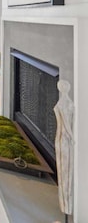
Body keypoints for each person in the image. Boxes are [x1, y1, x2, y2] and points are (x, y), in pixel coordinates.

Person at [53, 79, 74, 217]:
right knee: (64, 170)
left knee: (67, 171)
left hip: (66, 140)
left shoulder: (66, 103)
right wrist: (73, 137)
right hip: (63, 139)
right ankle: (66, 205)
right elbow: (66, 124)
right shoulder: (61, 105)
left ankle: (68, 206)